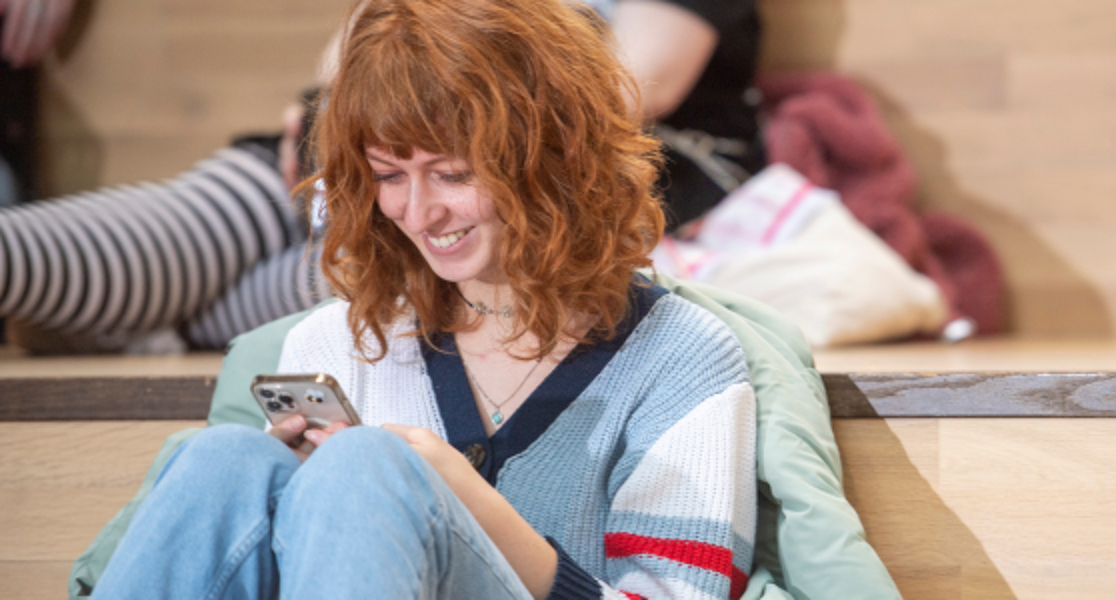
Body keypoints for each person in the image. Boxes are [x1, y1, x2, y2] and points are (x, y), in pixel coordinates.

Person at [90, 0, 757, 597]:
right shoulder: (333, 343)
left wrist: (455, 491)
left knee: (367, 464)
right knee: (222, 457)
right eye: (388, 176)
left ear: (554, 158)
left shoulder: (682, 356)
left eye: (453, 174)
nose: (419, 212)